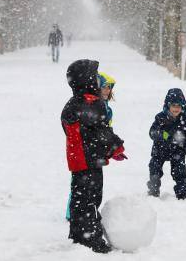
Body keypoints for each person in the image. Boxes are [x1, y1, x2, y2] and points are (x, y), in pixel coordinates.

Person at [61, 59, 127, 254]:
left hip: (78, 159)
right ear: (88, 80)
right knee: (90, 199)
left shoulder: (73, 103)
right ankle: (92, 238)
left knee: (80, 198)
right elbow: (101, 132)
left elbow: (81, 129)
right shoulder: (91, 103)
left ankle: (78, 233)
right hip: (89, 160)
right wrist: (116, 148)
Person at [147, 88, 186, 200]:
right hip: (160, 149)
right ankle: (154, 190)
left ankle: (182, 192)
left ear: (183, 106)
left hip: (178, 150)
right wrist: (163, 135)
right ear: (168, 106)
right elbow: (152, 132)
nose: (176, 109)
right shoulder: (160, 118)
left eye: (179, 106)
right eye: (174, 106)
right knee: (155, 168)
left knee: (180, 171)